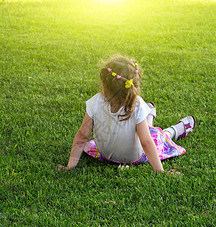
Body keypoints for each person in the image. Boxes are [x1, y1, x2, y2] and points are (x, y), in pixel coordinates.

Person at [57, 56, 196, 174]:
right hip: (134, 158)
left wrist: (70, 167)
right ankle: (174, 130)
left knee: (145, 130)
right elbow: (147, 142)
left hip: (105, 156)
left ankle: (149, 115)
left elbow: (82, 137)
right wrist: (161, 172)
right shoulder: (137, 105)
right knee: (157, 136)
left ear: (104, 86)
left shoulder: (95, 102)